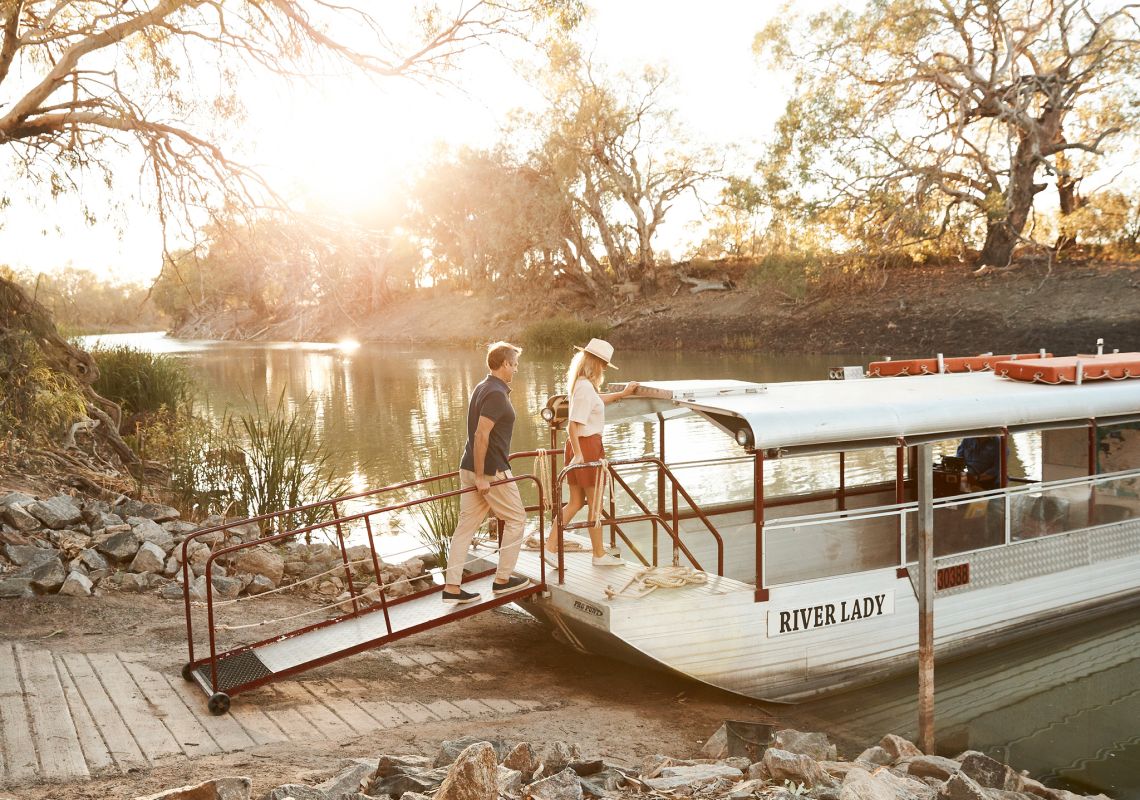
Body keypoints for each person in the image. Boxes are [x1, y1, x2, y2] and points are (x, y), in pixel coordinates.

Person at [441, 341, 532, 605]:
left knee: (464, 529)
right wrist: (482, 476)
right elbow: (482, 435)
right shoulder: (494, 393)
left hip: (468, 465)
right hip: (490, 471)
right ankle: (503, 580)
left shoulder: (483, 386)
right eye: (514, 364)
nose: (516, 369)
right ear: (504, 363)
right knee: (517, 518)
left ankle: (452, 588)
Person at [544, 338, 639, 567]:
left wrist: (622, 394)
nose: (604, 369)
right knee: (594, 505)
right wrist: (579, 455)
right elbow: (572, 424)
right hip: (587, 447)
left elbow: (596, 401)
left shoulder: (582, 384)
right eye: (604, 364)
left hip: (580, 446)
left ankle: (550, 547)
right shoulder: (585, 387)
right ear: (596, 363)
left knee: (575, 503)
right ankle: (598, 555)